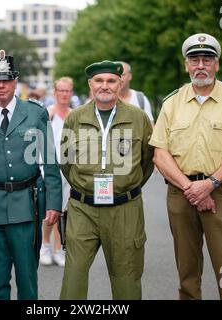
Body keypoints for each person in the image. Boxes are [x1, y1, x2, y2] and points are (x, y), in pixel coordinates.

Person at [150, 33, 222, 300]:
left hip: (220, 193)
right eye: (194, 59)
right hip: (181, 194)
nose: (201, 65)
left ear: (217, 64)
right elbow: (160, 154)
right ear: (186, 65)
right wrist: (192, 188)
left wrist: (210, 184)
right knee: (187, 273)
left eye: (207, 59)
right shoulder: (171, 102)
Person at [59, 60, 154, 299]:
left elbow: (148, 161)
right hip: (83, 209)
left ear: (120, 83)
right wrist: (85, 186)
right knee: (73, 279)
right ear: (90, 84)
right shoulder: (75, 118)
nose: (105, 86)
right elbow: (66, 160)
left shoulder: (138, 118)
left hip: (125, 210)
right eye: (99, 81)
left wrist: (126, 186)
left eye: (111, 81)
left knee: (126, 281)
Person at [0, 49, 62, 300]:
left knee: (27, 279)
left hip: (27, 206)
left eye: (6, 80)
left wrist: (54, 203)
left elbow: (50, 160)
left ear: (15, 82)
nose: (1, 86)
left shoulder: (35, 113)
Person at [39, 77, 74, 267]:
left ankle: (58, 248)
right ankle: (44, 245)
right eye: (60, 90)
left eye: (67, 90)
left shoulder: (74, 116)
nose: (64, 94)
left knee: (62, 211)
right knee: (49, 210)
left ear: (71, 92)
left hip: (68, 170)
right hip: (50, 170)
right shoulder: (47, 114)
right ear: (55, 92)